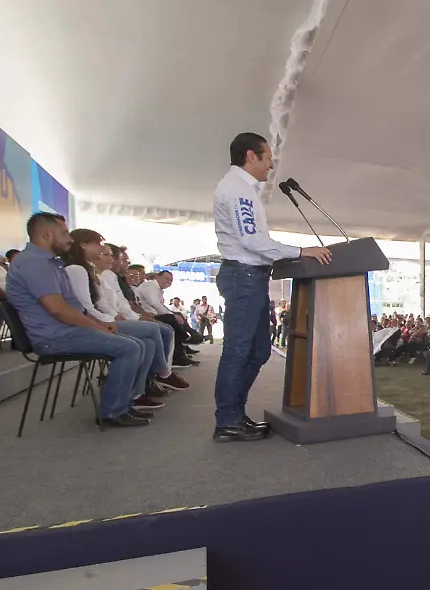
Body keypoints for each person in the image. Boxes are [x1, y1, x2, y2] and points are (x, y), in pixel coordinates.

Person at [211, 132, 331, 442]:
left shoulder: (244, 189)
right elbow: (251, 240)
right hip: (244, 277)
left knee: (260, 350)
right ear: (250, 156)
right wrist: (300, 251)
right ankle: (227, 420)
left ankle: (236, 414)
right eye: (268, 158)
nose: (271, 165)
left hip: (252, 277)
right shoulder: (238, 190)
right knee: (238, 352)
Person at [6, 213, 151, 427]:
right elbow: (58, 309)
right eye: (64, 233)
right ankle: (112, 412)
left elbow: (74, 307)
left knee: (137, 343)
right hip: (53, 337)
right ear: (46, 234)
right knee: (129, 348)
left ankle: (123, 404)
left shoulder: (49, 263)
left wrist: (100, 324)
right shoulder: (34, 264)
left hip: (66, 330)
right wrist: (98, 328)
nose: (70, 239)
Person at [60, 228, 189, 408]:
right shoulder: (77, 270)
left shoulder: (90, 271)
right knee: (152, 331)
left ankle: (137, 393)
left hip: (105, 319)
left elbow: (112, 305)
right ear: (83, 245)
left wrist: (119, 317)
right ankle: (162, 374)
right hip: (94, 323)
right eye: (98, 245)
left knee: (151, 340)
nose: (102, 251)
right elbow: (85, 308)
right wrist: (108, 321)